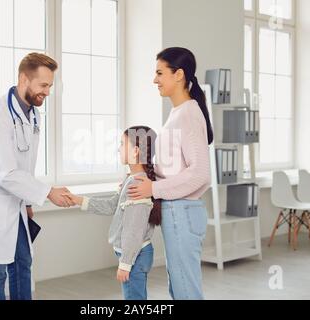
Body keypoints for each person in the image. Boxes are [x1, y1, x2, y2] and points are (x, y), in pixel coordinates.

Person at [0, 53, 73, 300]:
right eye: (43, 85)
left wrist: (29, 202)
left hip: (17, 206)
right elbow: (6, 173)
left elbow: (26, 163)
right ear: (24, 79)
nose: (48, 92)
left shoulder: (32, 114)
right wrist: (47, 192)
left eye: (50, 86)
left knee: (23, 264)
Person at [128, 47, 213, 300]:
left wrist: (153, 189)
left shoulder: (187, 114)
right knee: (180, 287)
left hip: (182, 211)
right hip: (178, 211)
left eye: (159, 73)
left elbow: (200, 174)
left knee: (185, 290)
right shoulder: (179, 113)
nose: (155, 80)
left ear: (179, 75)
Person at [63, 126, 161, 300]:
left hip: (135, 256)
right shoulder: (132, 178)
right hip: (134, 255)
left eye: (122, 144)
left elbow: (134, 229)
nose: (118, 148)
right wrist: (78, 200)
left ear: (136, 151)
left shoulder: (137, 183)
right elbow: (111, 206)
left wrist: (125, 263)